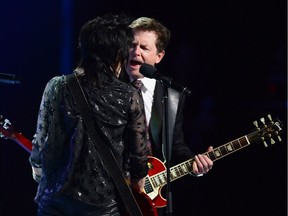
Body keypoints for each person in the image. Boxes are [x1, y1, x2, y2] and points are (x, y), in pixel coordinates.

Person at [29, 13, 149, 216]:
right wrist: (137, 185)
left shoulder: (56, 85)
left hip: (54, 202)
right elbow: (139, 156)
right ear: (117, 53)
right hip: (102, 206)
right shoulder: (129, 96)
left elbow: (40, 142)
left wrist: (41, 173)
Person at [122, 17, 214, 215]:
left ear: (159, 56)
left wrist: (195, 163)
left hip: (150, 196)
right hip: (113, 195)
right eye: (131, 44)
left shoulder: (172, 95)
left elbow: (175, 145)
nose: (135, 51)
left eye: (144, 48)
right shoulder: (110, 88)